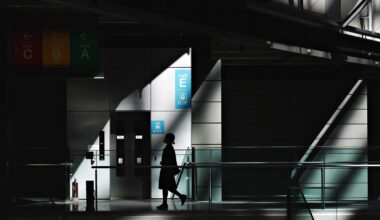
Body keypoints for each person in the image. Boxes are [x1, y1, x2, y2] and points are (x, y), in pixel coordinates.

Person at [156, 133, 187, 210]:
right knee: (167, 187)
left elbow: (169, 160)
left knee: (166, 187)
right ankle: (179, 197)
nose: (164, 138)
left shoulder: (169, 148)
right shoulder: (169, 147)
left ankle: (166, 203)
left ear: (169, 139)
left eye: (166, 137)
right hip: (167, 170)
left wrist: (163, 163)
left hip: (166, 171)